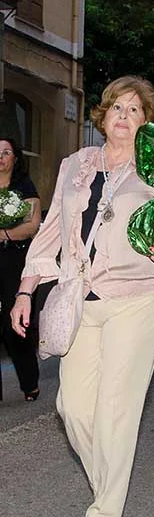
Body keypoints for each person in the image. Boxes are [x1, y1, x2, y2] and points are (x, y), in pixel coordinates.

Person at [11, 76, 154, 517]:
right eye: (117, 106)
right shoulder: (76, 165)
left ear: (146, 123)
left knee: (116, 408)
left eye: (136, 110)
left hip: (138, 298)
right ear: (102, 114)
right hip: (81, 297)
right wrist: (24, 291)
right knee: (71, 407)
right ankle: (108, 490)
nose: (124, 115)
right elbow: (50, 232)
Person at [0, 137, 41, 401]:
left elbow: (32, 225)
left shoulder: (24, 187)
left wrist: (4, 233)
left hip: (16, 260)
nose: (0, 157)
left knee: (14, 323)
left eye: (5, 152)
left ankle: (29, 382)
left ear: (15, 157)